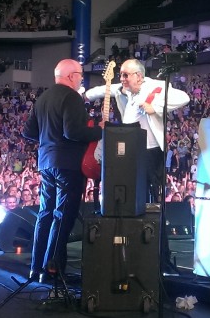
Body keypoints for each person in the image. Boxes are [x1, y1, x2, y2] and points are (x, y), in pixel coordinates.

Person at [22, 59, 103, 283]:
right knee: (62, 215)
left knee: (45, 213)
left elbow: (28, 131)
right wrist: (99, 131)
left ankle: (36, 268)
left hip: (46, 162)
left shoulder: (43, 98)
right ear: (71, 76)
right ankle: (52, 270)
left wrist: (49, 139)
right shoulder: (72, 97)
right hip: (68, 164)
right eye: (80, 75)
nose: (81, 79)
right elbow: (73, 132)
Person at [84, 58, 190, 203]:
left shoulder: (154, 86)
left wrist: (155, 107)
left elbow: (184, 97)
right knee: (131, 190)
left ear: (139, 76)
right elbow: (105, 90)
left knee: (150, 192)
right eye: (120, 75)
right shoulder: (127, 89)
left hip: (150, 151)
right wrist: (85, 95)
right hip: (130, 148)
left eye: (125, 75)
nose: (122, 79)